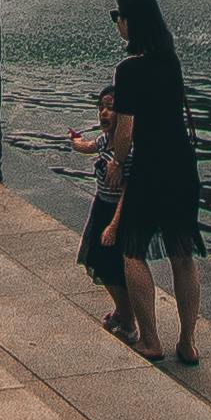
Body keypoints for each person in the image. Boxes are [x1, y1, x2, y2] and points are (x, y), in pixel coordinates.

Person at [101, 0, 203, 366]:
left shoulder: (128, 70)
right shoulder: (170, 61)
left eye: (118, 17)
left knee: (132, 250)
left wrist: (115, 162)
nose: (117, 23)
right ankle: (189, 342)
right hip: (182, 166)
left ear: (132, 22)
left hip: (150, 168)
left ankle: (150, 340)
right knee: (183, 255)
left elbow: (125, 132)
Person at [68, 80, 136, 342]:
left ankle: (129, 322)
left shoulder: (126, 151)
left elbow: (127, 192)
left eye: (111, 108)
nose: (104, 113)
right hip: (101, 207)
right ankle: (122, 311)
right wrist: (75, 141)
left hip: (114, 215)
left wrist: (114, 226)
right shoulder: (106, 139)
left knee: (112, 269)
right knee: (98, 262)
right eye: (101, 107)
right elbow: (88, 147)